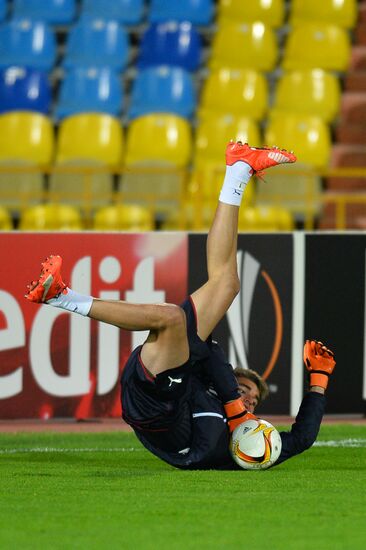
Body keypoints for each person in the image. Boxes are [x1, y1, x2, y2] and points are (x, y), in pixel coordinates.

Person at [25, 141, 336, 470]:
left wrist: (318, 380)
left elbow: (300, 439)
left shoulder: (252, 448)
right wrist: (311, 377)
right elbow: (213, 358)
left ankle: (60, 296)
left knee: (172, 318)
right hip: (165, 380)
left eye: (253, 400)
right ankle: (238, 171)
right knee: (228, 284)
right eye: (247, 391)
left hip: (156, 411)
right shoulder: (223, 394)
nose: (249, 399)